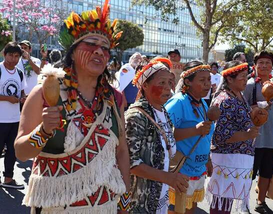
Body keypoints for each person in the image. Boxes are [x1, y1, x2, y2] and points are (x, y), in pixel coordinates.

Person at [14, 2, 130, 213]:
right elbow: (21, 152)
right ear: (73, 51)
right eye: (91, 44)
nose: (99, 51)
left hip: (106, 207)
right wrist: (43, 131)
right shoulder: (45, 93)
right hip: (55, 207)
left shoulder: (114, 99)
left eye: (105, 48)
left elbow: (122, 152)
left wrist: (124, 203)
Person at [125, 57, 188, 213]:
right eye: (161, 83)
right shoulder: (136, 116)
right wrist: (167, 177)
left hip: (160, 194)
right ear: (145, 85)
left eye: (169, 82)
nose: (168, 88)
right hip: (139, 201)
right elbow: (130, 163)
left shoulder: (162, 111)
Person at [206, 61, 259, 214]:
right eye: (242, 77)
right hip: (227, 159)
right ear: (230, 79)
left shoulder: (239, 96)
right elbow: (220, 136)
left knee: (225, 204)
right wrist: (247, 135)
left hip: (238, 159)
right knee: (221, 204)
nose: (245, 79)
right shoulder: (225, 100)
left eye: (246, 76)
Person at [165, 60, 214, 214]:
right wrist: (195, 130)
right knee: (176, 209)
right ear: (188, 81)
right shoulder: (178, 103)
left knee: (191, 208)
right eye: (202, 80)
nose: (207, 84)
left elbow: (205, 137)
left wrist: (208, 160)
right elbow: (164, 135)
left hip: (198, 169)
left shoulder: (203, 104)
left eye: (209, 80)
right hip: (180, 170)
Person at [243, 51, 273, 214]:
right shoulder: (250, 85)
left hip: (272, 137)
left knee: (266, 172)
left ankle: (261, 201)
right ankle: (244, 203)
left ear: (272, 66)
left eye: (268, 62)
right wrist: (256, 108)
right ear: (255, 66)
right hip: (254, 138)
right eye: (261, 62)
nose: (264, 66)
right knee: (249, 173)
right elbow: (242, 108)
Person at [0, 42, 26, 189]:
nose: (13, 59)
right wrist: (7, 98)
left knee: (12, 150)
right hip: (0, 119)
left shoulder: (19, 73)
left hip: (15, 119)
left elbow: (22, 91)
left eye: (17, 56)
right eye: (11, 55)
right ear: (5, 54)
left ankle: (8, 179)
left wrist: (23, 98)